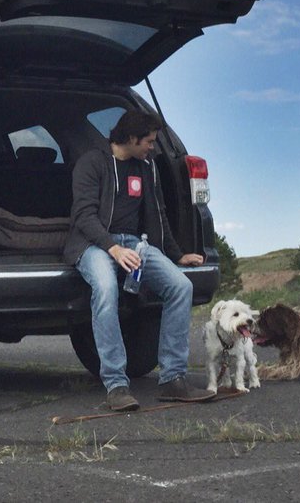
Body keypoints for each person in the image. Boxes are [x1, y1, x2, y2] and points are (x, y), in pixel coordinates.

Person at [63, 109, 216, 411]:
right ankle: (117, 385)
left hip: (135, 245)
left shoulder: (145, 168)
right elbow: (83, 216)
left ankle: (173, 379)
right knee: (106, 289)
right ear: (131, 138)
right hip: (93, 244)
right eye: (149, 141)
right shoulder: (92, 164)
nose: (153, 147)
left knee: (180, 287)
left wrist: (176, 255)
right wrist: (112, 248)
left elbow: (158, 215)